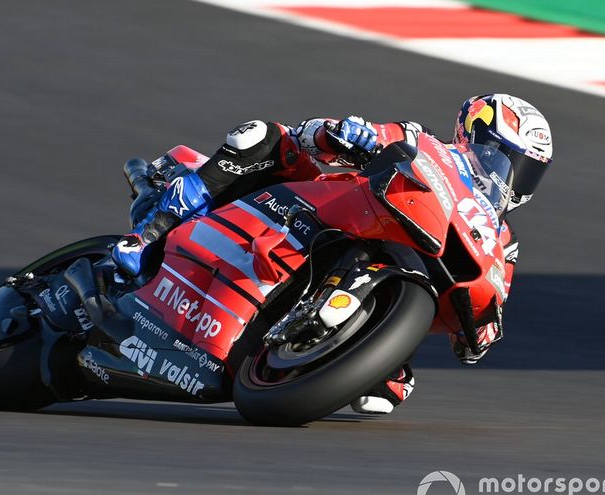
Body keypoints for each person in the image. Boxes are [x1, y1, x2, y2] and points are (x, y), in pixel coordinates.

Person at [111, 93, 553, 415]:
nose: (511, 176)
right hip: (315, 212)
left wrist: (481, 329)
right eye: (503, 157)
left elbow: (485, 319)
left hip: (396, 266)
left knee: (387, 389)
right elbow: (315, 137)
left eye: (527, 171)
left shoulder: (501, 239)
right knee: (263, 137)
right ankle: (151, 235)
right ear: (473, 134)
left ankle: (340, 350)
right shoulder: (420, 143)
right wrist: (343, 133)